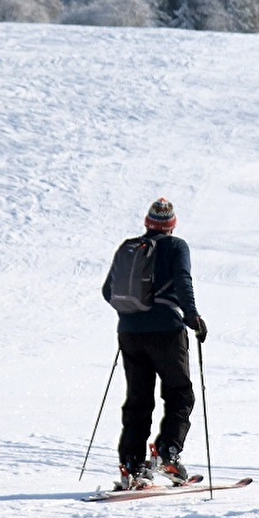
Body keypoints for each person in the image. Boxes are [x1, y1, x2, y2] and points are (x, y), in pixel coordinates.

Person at [101, 198, 208, 490]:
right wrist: (192, 317)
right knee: (180, 394)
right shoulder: (176, 247)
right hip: (167, 332)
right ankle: (167, 453)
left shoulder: (128, 248)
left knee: (138, 400)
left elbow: (108, 291)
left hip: (129, 333)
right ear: (172, 225)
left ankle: (132, 466)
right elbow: (183, 281)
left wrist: (132, 314)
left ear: (148, 223)